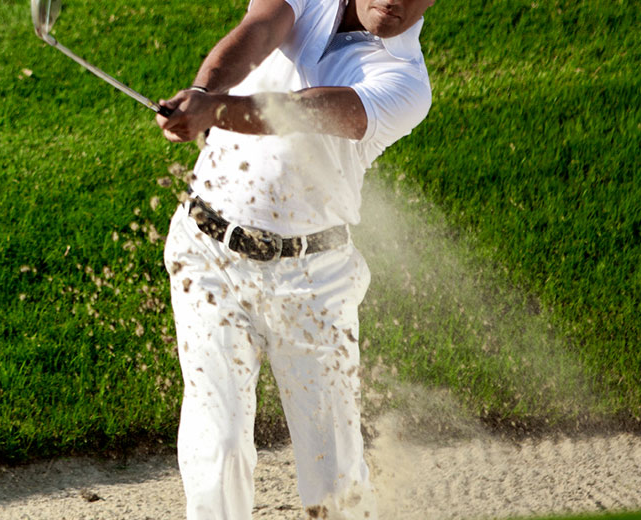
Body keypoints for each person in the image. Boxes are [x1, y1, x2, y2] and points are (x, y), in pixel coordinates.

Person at [154, 0, 434, 518]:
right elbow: (257, 32)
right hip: (207, 256)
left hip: (312, 282)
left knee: (334, 481)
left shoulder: (406, 83)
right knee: (217, 449)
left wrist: (214, 111)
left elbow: (308, 110)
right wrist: (202, 91)